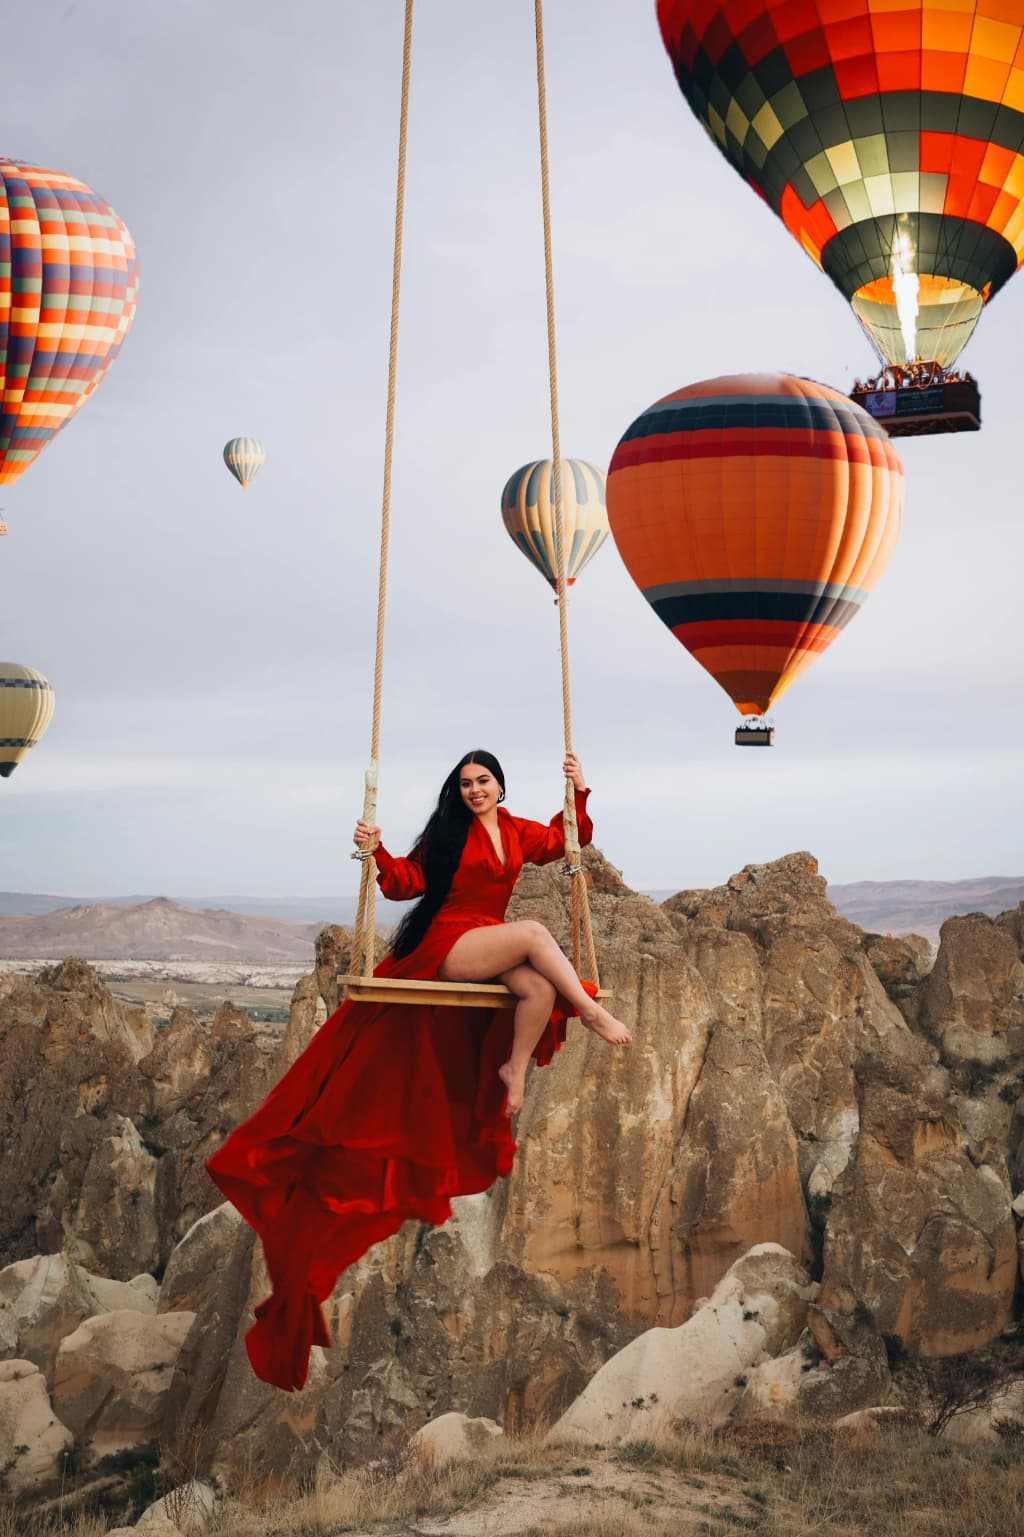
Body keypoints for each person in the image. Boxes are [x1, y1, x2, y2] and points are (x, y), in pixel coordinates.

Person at [206, 748, 630, 1393]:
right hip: (449, 945)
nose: (474, 790)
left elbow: (565, 840)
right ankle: (591, 1012)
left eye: (483, 781)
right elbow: (405, 883)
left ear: (500, 786)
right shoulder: (448, 834)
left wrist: (577, 792)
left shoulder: (517, 832)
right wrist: (375, 850)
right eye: (465, 784)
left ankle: (513, 1071)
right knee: (536, 935)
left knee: (538, 990)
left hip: (489, 943)